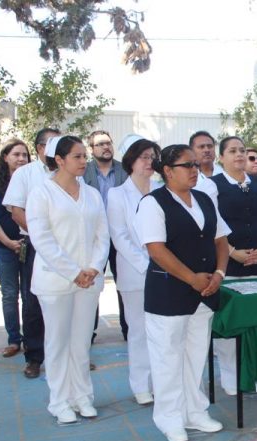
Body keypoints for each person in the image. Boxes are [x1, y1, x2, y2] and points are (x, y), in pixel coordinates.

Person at [135, 144, 230, 441]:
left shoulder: (203, 199)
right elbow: (156, 249)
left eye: (196, 165)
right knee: (167, 358)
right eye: (186, 165)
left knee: (195, 356)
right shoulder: (153, 203)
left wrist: (219, 274)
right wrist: (192, 278)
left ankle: (195, 412)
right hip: (169, 295)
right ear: (166, 171)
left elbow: (221, 241)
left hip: (205, 292)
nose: (194, 170)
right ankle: (170, 418)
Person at [26, 135, 110, 423]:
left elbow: (102, 234)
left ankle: (82, 397)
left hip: (89, 280)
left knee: (81, 341)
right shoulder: (42, 193)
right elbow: (42, 238)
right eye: (76, 156)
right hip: (56, 281)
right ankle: (59, 401)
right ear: (59, 160)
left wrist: (94, 268)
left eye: (83, 156)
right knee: (58, 342)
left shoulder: (92, 194)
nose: (83, 161)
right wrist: (74, 272)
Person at [212, 136, 257, 396]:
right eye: (232, 151)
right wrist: (231, 253)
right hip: (228, 265)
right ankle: (231, 377)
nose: (239, 155)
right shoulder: (212, 186)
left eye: (242, 150)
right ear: (222, 158)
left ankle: (253, 373)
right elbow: (211, 225)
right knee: (231, 322)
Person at [106, 138, 161, 405]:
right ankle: (141, 385)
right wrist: (147, 264)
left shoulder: (162, 190)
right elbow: (120, 237)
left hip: (165, 272)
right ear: (131, 160)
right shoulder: (117, 195)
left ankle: (161, 381)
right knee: (139, 331)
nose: (149, 162)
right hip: (134, 274)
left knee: (163, 332)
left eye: (153, 156)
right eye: (144, 157)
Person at [3, 127, 61, 379]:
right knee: (33, 300)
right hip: (36, 245)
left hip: (66, 245)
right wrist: (44, 237)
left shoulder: (68, 173)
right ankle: (35, 357)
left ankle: (67, 355)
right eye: (54, 144)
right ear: (39, 148)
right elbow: (16, 211)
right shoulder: (25, 174)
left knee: (66, 300)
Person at [0, 139, 30, 358]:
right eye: (16, 154)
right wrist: (6, 241)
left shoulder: (33, 180)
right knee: (10, 294)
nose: (21, 158)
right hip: (4, 247)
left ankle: (32, 339)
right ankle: (14, 339)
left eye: (25, 155)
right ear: (5, 157)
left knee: (29, 294)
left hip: (28, 245)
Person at [83, 130, 129, 342]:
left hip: (120, 236)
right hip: (93, 237)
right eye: (100, 144)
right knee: (92, 284)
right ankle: (88, 331)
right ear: (92, 149)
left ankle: (129, 329)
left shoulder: (124, 170)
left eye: (108, 143)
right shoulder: (84, 172)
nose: (106, 147)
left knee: (124, 283)